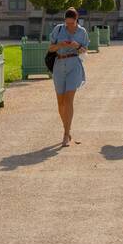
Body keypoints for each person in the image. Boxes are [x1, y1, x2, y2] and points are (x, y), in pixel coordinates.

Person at [48, 8, 88, 147]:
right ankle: (67, 129)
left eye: (72, 23)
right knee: (61, 102)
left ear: (76, 20)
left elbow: (84, 51)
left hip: (74, 65)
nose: (69, 26)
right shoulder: (58, 30)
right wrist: (60, 44)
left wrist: (77, 46)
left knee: (69, 100)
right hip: (59, 65)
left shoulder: (82, 32)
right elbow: (50, 48)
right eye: (67, 23)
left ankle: (66, 133)